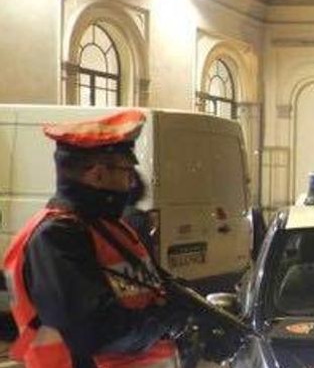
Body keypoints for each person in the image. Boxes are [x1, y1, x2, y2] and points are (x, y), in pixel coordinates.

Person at [3, 111, 187, 368]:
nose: (131, 182)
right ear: (98, 174)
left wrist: (191, 311)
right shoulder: (56, 237)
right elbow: (94, 331)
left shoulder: (110, 228)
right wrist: (169, 321)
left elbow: (151, 289)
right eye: (127, 171)